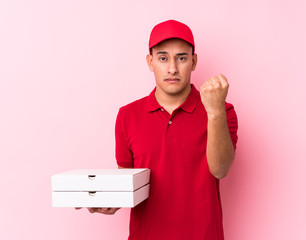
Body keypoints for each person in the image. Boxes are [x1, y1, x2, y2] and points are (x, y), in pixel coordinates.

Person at [78, 19, 238, 240]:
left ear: (193, 61)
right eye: (163, 58)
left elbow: (220, 169)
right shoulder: (127, 115)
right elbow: (127, 180)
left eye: (181, 58)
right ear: (150, 62)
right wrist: (110, 200)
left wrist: (214, 111)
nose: (172, 68)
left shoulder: (222, 110)